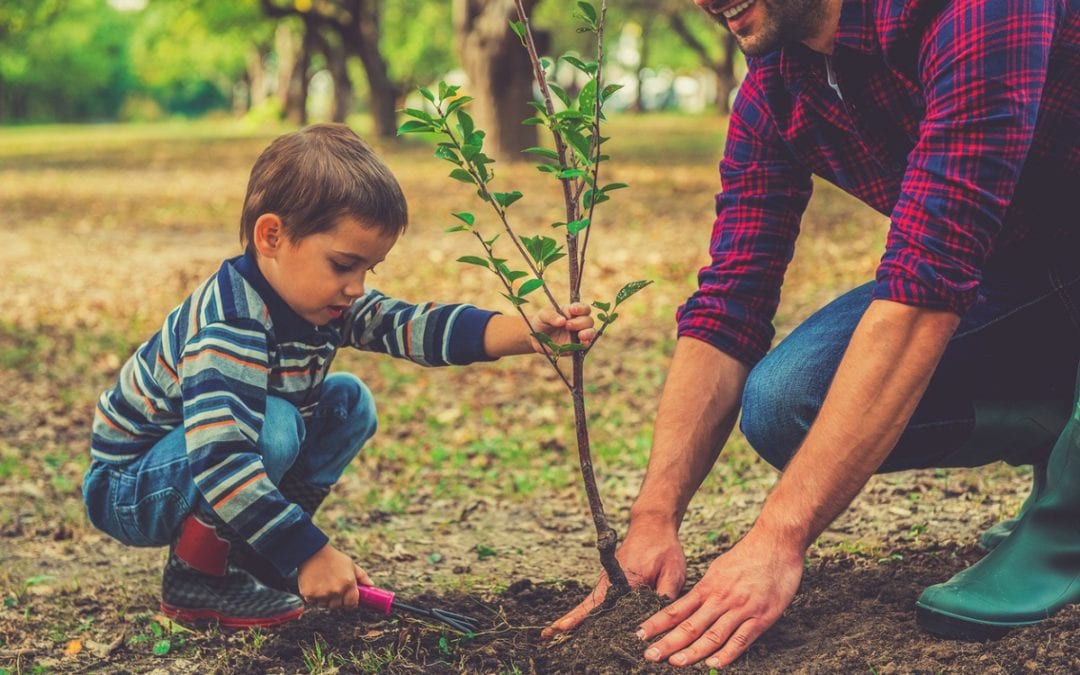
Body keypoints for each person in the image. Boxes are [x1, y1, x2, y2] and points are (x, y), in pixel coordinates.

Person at [546, 0, 1080, 668]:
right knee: (787, 399)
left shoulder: (976, 10)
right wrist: (654, 518)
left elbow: (926, 285)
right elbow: (729, 300)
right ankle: (1062, 431)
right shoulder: (781, 85)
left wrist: (777, 539)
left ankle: (1070, 519)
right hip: (1027, 275)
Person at [82, 123, 596, 629]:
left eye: (368, 270)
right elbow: (220, 461)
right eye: (344, 265)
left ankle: (258, 558)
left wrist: (526, 332)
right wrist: (310, 553)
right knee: (275, 424)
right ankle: (198, 577)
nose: (356, 287)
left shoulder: (320, 301)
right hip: (131, 485)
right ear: (272, 236)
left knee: (348, 401)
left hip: (196, 465)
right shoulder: (230, 325)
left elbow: (409, 324)